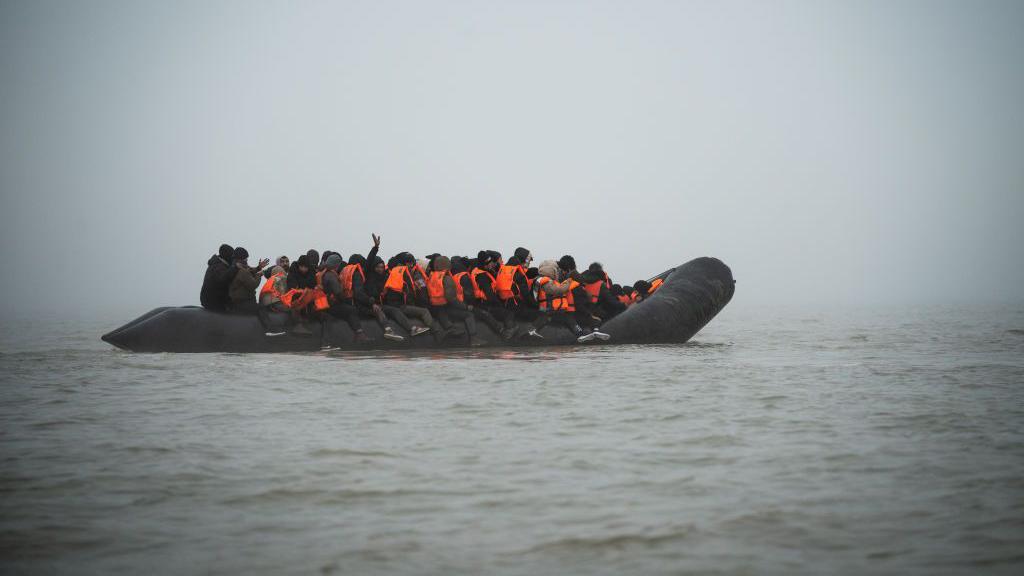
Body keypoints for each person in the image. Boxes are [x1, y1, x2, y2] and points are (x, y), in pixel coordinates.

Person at [343, 234, 404, 341]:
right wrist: (371, 302)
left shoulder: (354, 273)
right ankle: (388, 330)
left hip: (359, 304)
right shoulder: (359, 275)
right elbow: (358, 293)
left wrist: (375, 248)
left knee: (388, 309)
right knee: (378, 310)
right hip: (361, 306)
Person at [427, 256, 486, 346]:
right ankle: (474, 338)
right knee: (469, 315)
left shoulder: (431, 277)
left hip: (435, 308)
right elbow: (451, 299)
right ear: (448, 266)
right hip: (447, 308)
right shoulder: (447, 279)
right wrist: (465, 307)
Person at [319, 253, 373, 347]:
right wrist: (345, 299)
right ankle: (359, 334)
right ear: (336, 264)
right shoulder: (331, 276)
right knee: (351, 309)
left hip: (324, 304)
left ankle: (359, 334)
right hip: (330, 306)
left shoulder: (324, 273)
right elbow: (338, 293)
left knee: (348, 311)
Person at [380, 248, 434, 337]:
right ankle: (434, 333)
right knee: (424, 311)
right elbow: (407, 294)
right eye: (409, 263)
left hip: (395, 305)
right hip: (399, 306)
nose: (411, 265)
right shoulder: (401, 275)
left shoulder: (390, 274)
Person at [557, 255, 610, 342]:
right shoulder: (573, 282)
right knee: (588, 318)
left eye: (562, 270)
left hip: (572, 308)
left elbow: (580, 300)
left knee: (584, 318)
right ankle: (590, 331)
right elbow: (580, 301)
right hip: (572, 309)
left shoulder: (569, 282)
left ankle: (593, 331)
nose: (561, 272)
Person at [494, 247, 542, 339]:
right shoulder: (519, 274)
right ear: (524, 259)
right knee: (541, 314)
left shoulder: (502, 270)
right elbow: (526, 296)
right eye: (529, 260)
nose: (529, 263)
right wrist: (537, 306)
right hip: (516, 307)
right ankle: (530, 334)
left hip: (503, 305)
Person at [452, 255, 505, 336]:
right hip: (466, 305)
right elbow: (469, 295)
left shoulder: (454, 276)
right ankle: (501, 331)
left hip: (459, 305)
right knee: (484, 314)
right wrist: (470, 305)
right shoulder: (464, 277)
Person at [533, 259, 586, 338]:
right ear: (551, 270)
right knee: (567, 319)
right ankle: (580, 334)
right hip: (547, 309)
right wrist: (567, 283)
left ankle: (580, 335)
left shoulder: (545, 280)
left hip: (552, 309)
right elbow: (556, 291)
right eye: (556, 270)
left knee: (567, 319)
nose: (558, 272)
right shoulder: (544, 281)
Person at [471, 251, 517, 340]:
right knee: (508, 313)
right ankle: (509, 332)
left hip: (482, 303)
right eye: (489, 263)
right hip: (485, 305)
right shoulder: (482, 276)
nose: (492, 264)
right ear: (484, 264)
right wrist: (500, 305)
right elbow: (490, 296)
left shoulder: (480, 272)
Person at [227, 247, 268, 314]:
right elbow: (253, 285)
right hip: (243, 302)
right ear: (241, 259)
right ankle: (267, 324)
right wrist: (259, 275)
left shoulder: (234, 267)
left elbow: (249, 270)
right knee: (262, 308)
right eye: (246, 258)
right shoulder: (242, 271)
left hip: (235, 301)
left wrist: (258, 268)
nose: (247, 260)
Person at [200, 244, 239, 311]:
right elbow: (223, 279)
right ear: (227, 256)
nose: (233, 259)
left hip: (211, 300)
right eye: (232, 256)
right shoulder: (218, 267)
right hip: (213, 302)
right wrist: (234, 267)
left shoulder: (219, 265)